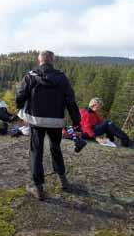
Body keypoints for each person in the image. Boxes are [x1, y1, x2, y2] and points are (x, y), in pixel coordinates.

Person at [16, 50, 81, 201]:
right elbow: (71, 101)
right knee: (55, 148)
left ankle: (38, 188)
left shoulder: (30, 76)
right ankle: (63, 180)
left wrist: (19, 108)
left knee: (36, 152)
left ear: (40, 61)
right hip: (56, 122)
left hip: (36, 120)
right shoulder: (62, 78)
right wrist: (77, 124)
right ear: (52, 61)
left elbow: (20, 95)